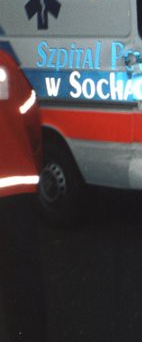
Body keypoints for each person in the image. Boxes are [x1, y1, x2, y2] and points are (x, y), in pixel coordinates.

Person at [0, 51, 47, 341]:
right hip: (17, 190)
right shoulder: (4, 63)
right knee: (23, 277)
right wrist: (34, 160)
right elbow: (30, 114)